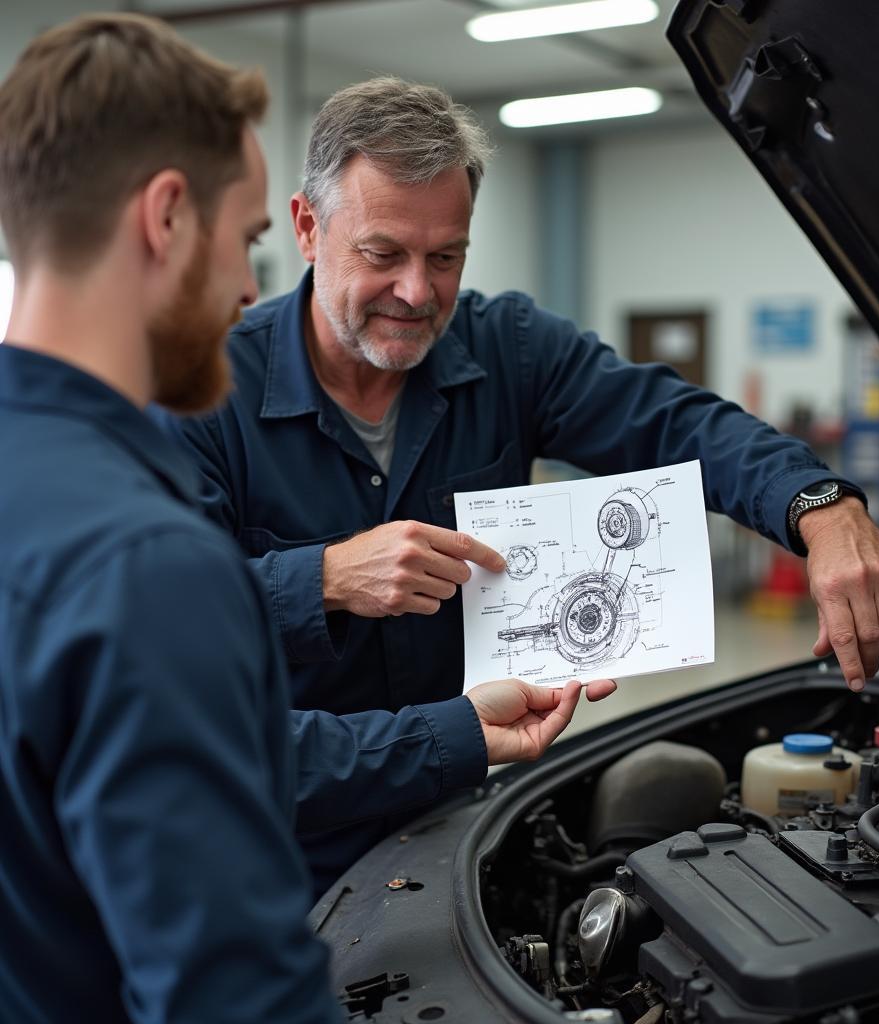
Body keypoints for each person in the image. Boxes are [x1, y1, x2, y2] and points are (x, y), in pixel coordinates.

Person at [0, 18, 614, 1023]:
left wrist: (455, 728)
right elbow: (230, 987)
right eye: (245, 239)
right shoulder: (141, 555)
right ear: (165, 219)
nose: (251, 289)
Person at [154, 75, 879, 723]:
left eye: (446, 257)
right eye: (383, 254)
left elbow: (678, 424)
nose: (417, 292)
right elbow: (164, 613)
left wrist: (821, 505)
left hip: (463, 805)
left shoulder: (509, 348)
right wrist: (324, 578)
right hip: (287, 833)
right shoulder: (203, 390)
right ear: (309, 228)